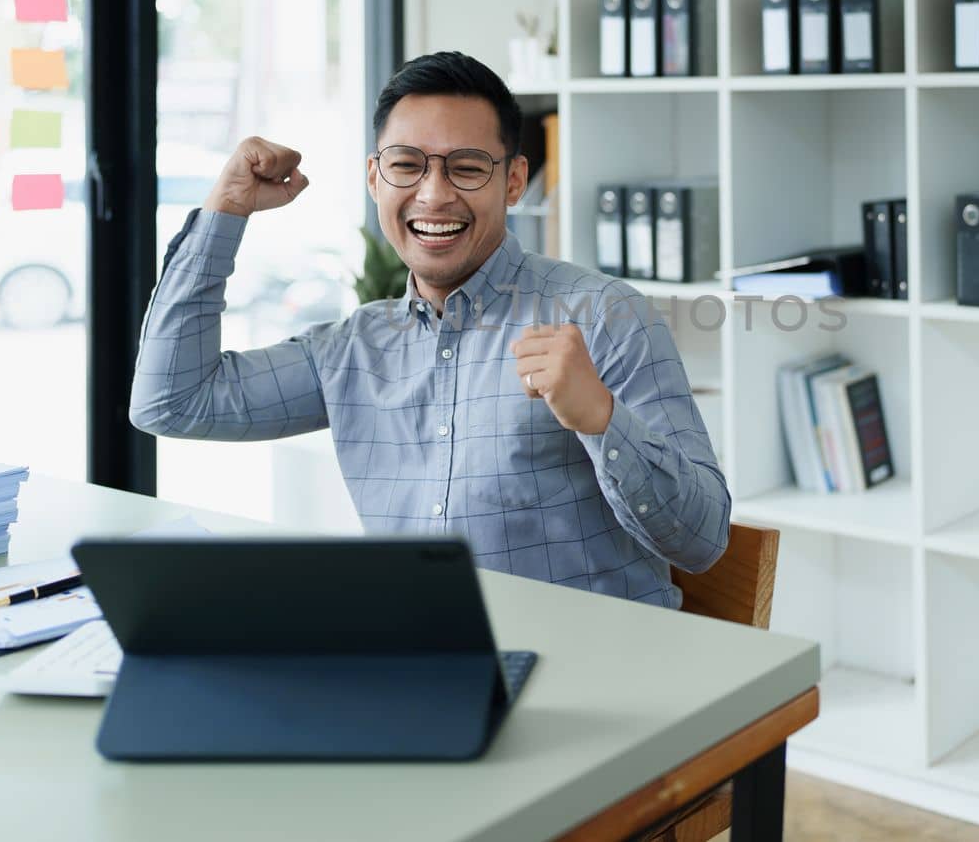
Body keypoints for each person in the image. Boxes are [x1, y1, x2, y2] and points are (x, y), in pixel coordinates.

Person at [130, 51, 730, 606]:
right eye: (407, 166)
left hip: (592, 678)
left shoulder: (604, 316)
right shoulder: (352, 348)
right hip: (422, 667)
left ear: (514, 181)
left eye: (467, 167)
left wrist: (601, 418)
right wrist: (225, 210)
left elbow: (703, 541)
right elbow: (170, 402)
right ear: (375, 178)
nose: (434, 195)